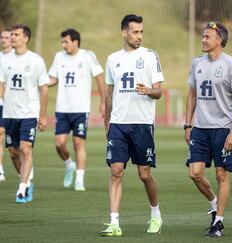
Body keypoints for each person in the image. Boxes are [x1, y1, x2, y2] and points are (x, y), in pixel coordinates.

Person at [99, 14, 164, 236]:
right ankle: (114, 223)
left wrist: (148, 90)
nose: (139, 36)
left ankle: (155, 214)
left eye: (141, 32)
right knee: (116, 171)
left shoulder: (149, 56)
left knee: (144, 174)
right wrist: (107, 121)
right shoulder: (112, 59)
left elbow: (159, 91)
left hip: (142, 124)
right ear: (124, 32)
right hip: (118, 123)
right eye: (135, 32)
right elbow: (109, 96)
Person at [184, 21, 232, 237]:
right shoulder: (196, 63)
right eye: (202, 36)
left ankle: (218, 222)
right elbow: (191, 94)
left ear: (219, 39)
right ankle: (214, 203)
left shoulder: (231, 65)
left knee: (221, 174)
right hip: (200, 128)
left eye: (207, 36)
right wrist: (188, 124)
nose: (203, 39)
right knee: (195, 173)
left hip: (222, 129)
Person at [0, 24, 49, 204]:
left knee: (26, 149)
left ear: (25, 38)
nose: (12, 38)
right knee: (13, 152)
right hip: (9, 113)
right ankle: (24, 178)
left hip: (29, 113)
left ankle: (23, 188)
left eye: (16, 35)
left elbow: (44, 90)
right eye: (11, 35)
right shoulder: (5, 60)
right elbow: (0, 84)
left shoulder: (36, 61)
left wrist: (43, 115)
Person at [48, 28, 105, 191]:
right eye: (62, 42)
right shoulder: (59, 57)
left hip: (80, 109)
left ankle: (79, 179)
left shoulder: (87, 56)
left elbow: (99, 78)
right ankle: (69, 164)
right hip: (62, 108)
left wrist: (103, 102)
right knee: (59, 144)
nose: (63, 45)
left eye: (66, 42)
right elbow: (53, 79)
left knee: (78, 142)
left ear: (75, 42)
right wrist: (41, 81)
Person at [0, 30, 14, 182]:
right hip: (0, 104)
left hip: (15, 104)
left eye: (7, 37)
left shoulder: (18, 57)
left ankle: (25, 168)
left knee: (15, 143)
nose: (4, 40)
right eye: (2, 38)